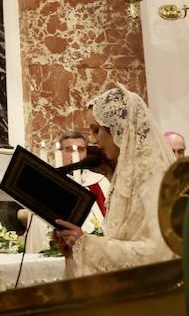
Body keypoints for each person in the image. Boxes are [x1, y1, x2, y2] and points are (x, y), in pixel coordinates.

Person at [54, 85, 177, 278]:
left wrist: (86, 245)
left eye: (96, 130)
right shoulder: (125, 171)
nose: (93, 140)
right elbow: (121, 240)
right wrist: (74, 246)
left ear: (119, 129)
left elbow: (159, 253)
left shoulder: (151, 174)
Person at [59, 129, 110, 232]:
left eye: (81, 149)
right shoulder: (51, 181)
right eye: (69, 149)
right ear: (59, 152)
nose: (76, 154)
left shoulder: (99, 181)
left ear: (86, 153)